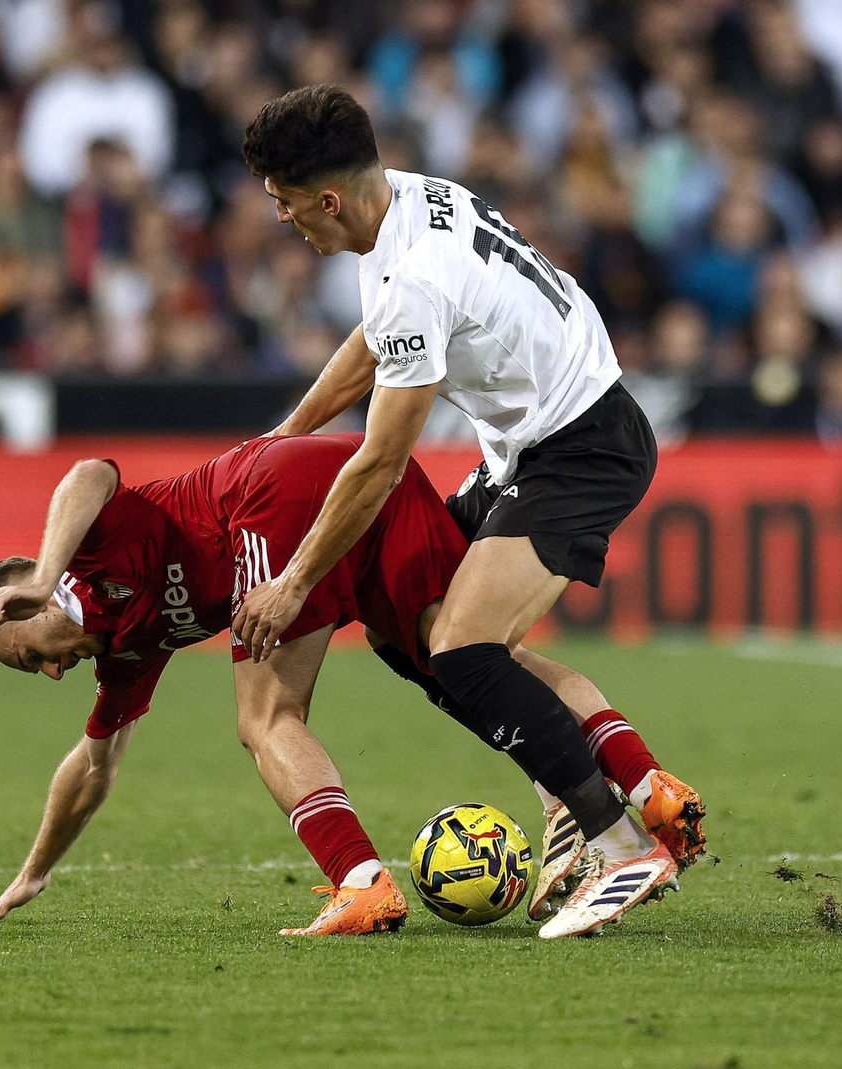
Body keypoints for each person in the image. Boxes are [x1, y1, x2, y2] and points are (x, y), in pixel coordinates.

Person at [232, 85, 704, 938]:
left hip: (582, 448)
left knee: (461, 646)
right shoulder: (403, 201)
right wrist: (286, 435)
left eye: (285, 201)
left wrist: (294, 580)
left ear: (328, 199)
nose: (282, 218)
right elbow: (374, 341)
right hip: (536, 442)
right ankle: (621, 784)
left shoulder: (415, 274)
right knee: (404, 625)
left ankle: (620, 840)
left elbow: (379, 464)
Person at [0, 433, 702, 937]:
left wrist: (42, 574)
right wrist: (34, 872)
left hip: (274, 497)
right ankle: (647, 787)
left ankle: (360, 880)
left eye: (31, 656)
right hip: (367, 472)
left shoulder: (86, 556)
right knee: (462, 654)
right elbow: (93, 767)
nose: (54, 671)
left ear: (29, 594)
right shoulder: (124, 649)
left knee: (266, 714)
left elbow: (89, 471)